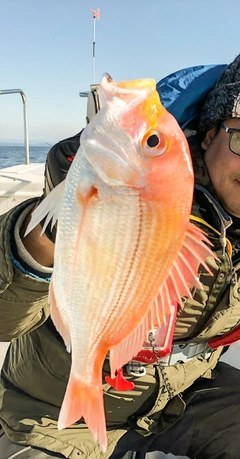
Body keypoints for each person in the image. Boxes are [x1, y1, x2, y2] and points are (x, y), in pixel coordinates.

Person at [1, 53, 240, 459]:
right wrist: (45, 239)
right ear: (208, 135)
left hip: (181, 399)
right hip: (50, 416)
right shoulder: (86, 176)